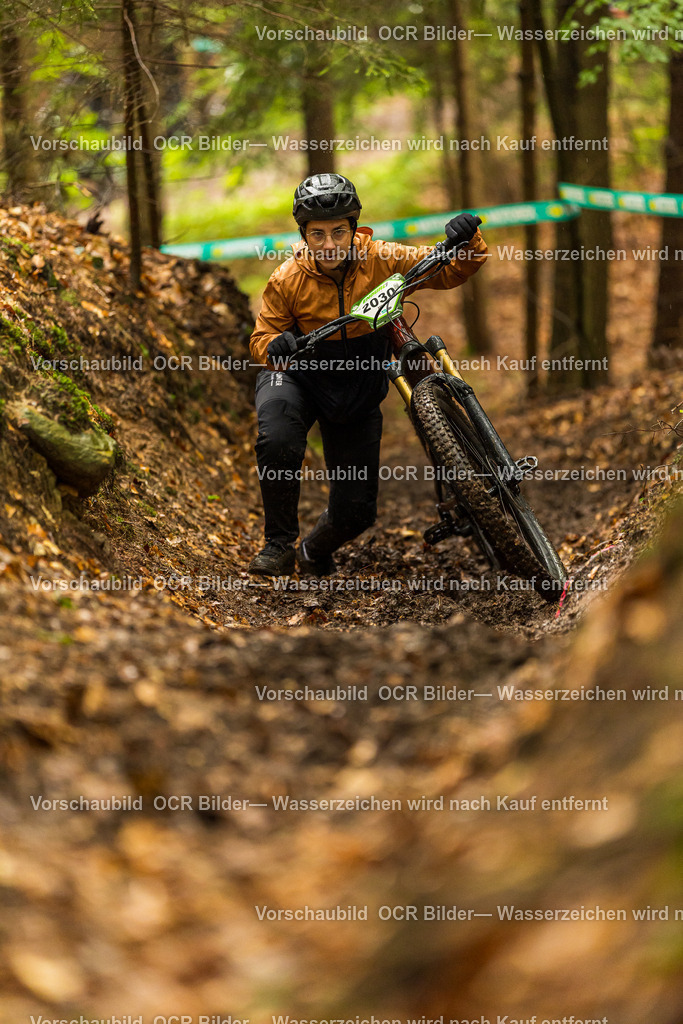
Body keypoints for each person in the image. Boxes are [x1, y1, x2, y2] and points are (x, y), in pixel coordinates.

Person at [248, 172, 488, 577]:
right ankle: (278, 545)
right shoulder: (286, 279)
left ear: (354, 229)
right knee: (278, 438)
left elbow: (449, 271)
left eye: (338, 232)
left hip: (358, 384)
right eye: (318, 234)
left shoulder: (383, 259)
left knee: (356, 512)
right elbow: (262, 335)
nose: (329, 245)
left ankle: (312, 549)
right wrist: (274, 345)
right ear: (304, 234)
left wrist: (467, 240)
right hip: (299, 376)